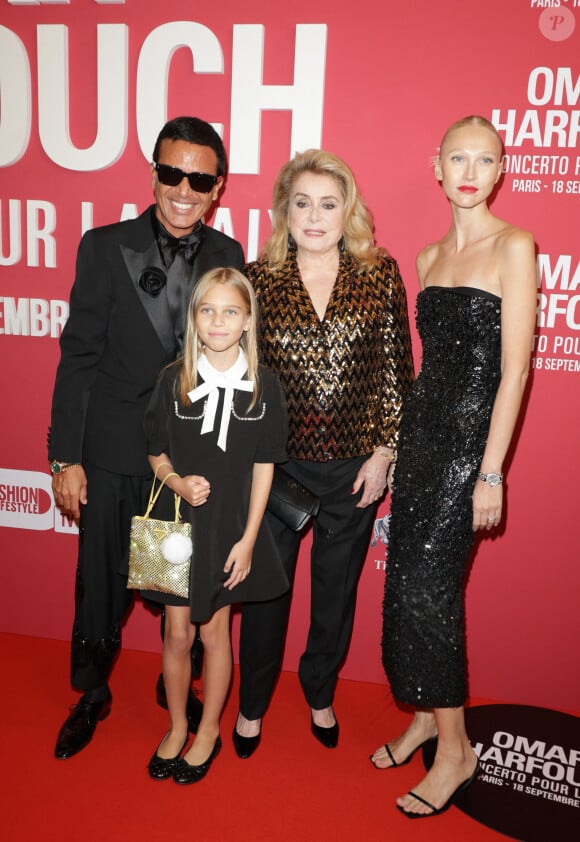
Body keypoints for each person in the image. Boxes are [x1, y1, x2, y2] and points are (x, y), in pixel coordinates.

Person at [49, 116, 244, 759]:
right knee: (100, 580)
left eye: (200, 178)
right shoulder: (104, 245)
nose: (183, 189)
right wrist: (64, 456)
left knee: (170, 584)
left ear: (217, 187)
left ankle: (176, 683)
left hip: (182, 459)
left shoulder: (227, 257)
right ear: (153, 172)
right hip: (108, 449)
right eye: (171, 172)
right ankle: (90, 690)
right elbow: (77, 355)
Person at [372, 116, 536, 818]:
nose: (470, 170)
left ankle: (456, 750)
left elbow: (516, 369)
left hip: (468, 450)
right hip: (420, 439)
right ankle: (424, 715)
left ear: (501, 171)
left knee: (427, 594)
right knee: (406, 583)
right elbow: (427, 367)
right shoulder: (427, 257)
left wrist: (491, 471)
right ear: (437, 167)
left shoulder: (515, 246)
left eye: (486, 159)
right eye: (458, 158)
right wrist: (397, 448)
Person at [234, 149, 415, 757]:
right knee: (266, 593)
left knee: (334, 594)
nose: (315, 216)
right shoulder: (258, 280)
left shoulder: (378, 273)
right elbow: (244, 377)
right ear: (285, 210)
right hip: (276, 470)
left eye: (328, 203)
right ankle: (252, 705)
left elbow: (396, 368)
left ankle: (319, 691)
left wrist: (384, 453)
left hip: (352, 471)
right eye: (302, 202)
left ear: (348, 210)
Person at [143, 267, 289, 783]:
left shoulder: (264, 387)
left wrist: (249, 540)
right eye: (208, 310)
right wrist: (178, 482)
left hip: (230, 530)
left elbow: (265, 467)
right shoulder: (172, 379)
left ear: (248, 320)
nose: (218, 321)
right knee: (177, 634)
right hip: (176, 525)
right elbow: (155, 452)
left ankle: (209, 730)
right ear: (194, 318)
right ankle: (178, 725)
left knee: (215, 632)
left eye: (230, 311)